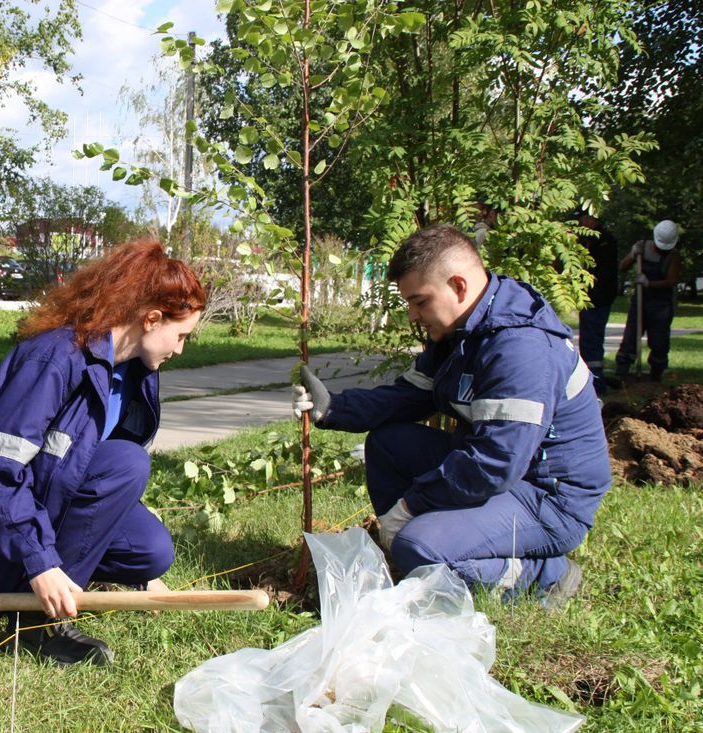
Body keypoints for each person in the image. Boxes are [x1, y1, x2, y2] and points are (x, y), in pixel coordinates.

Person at [292, 224, 611, 607]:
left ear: (459, 286)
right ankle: (421, 555)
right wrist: (334, 408)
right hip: (510, 480)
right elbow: (410, 397)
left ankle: (545, 575)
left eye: (420, 301)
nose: (413, 315)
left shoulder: (520, 349)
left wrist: (411, 507)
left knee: (419, 545)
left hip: (550, 501)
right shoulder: (464, 331)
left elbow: (495, 463)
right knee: (389, 444)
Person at [0, 240, 206, 665]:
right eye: (181, 335)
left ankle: (59, 580)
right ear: (151, 319)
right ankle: (40, 622)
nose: (180, 349)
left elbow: (91, 465)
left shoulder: (134, 370)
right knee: (129, 463)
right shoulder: (55, 360)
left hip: (47, 500)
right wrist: (40, 563)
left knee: (150, 550)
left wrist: (145, 580)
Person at [614, 219, 681, 382]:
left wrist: (649, 283)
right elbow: (622, 267)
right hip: (640, 301)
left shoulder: (673, 255)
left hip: (661, 304)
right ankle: (622, 373)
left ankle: (656, 375)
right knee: (630, 336)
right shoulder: (642, 247)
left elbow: (671, 281)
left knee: (659, 341)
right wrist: (632, 254)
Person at [575, 211, 619, 393]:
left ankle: (596, 382)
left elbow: (598, 270)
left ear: (591, 219)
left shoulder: (602, 241)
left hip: (597, 298)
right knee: (589, 339)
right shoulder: (597, 240)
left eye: (582, 219)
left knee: (592, 339)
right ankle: (591, 379)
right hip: (593, 297)